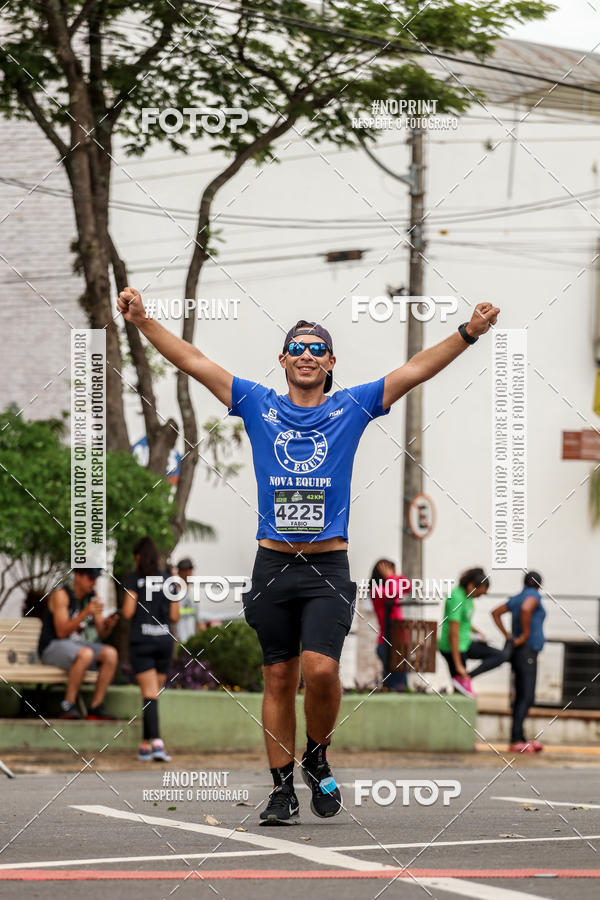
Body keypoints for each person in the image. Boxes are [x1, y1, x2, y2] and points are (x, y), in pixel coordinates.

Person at [118, 284, 499, 825]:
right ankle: (281, 790)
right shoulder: (256, 402)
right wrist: (142, 321)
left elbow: (415, 369)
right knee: (277, 678)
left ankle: (317, 755)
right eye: (297, 347)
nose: (306, 355)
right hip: (272, 564)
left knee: (320, 671)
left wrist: (468, 332)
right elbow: (193, 360)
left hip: (327, 566)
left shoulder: (351, 406)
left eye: (317, 348)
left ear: (330, 363)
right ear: (283, 360)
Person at [122, 536, 180, 762]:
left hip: (142, 642)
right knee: (152, 694)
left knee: (149, 694)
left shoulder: (133, 579)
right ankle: (145, 745)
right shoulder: (168, 581)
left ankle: (156, 742)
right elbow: (175, 616)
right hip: (164, 642)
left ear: (138, 557)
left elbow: (127, 612)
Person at [38, 568, 119, 719]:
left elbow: (102, 633)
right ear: (78, 576)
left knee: (110, 654)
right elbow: (62, 632)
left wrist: (108, 624)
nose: (93, 582)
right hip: (52, 647)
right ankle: (68, 705)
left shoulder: (92, 596)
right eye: (90, 577)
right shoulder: (61, 595)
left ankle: (96, 706)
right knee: (85, 654)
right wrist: (85, 613)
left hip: (78, 648)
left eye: (95, 578)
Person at [491, 571, 546, 753]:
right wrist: (525, 636)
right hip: (527, 650)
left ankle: (519, 737)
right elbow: (526, 609)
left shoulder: (517, 597)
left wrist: (508, 635)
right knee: (527, 696)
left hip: (517, 651)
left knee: (520, 694)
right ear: (538, 585)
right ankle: (516, 739)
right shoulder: (533, 596)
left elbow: (496, 612)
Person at [438, 567, 508, 698]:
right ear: (471, 585)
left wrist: (479, 633)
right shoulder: (456, 598)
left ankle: (467, 678)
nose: (479, 597)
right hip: (453, 648)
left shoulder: (468, 598)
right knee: (461, 694)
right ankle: (462, 680)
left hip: (466, 643)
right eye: (479, 594)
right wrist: (458, 665)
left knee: (501, 656)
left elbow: (465, 621)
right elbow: (453, 632)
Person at [370, 559, 410, 690]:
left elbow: (408, 586)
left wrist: (395, 576)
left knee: (401, 685)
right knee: (396, 686)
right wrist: (390, 577)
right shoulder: (377, 590)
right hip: (388, 643)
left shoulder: (391, 587)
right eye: (390, 570)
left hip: (398, 642)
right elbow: (394, 593)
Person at [175, 558, 202, 644]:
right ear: (179, 572)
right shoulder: (172, 593)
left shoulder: (194, 592)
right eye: (185, 571)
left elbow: (197, 619)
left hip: (192, 641)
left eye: (189, 570)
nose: (188, 573)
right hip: (177, 641)